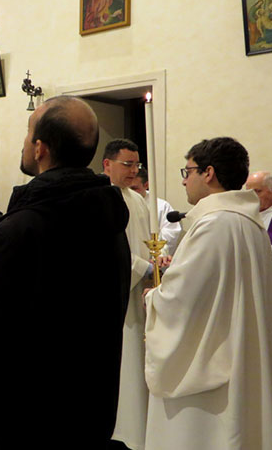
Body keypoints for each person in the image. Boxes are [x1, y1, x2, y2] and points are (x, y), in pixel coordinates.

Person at [0, 96, 131, 448]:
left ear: (39, 148)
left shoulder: (18, 231)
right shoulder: (109, 218)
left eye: (27, 132)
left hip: (24, 424)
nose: (24, 141)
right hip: (89, 411)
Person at [144, 138, 272, 449]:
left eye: (188, 170)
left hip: (212, 376)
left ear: (208, 173)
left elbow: (183, 299)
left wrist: (153, 298)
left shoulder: (214, 224)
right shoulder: (250, 223)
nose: (183, 179)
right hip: (240, 351)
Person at [102, 138, 152, 450]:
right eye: (127, 164)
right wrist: (142, 267)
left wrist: (155, 265)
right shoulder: (100, 199)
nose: (134, 170)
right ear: (107, 164)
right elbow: (106, 253)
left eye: (136, 165)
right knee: (122, 365)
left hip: (139, 294)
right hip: (114, 296)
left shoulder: (138, 200)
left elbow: (148, 242)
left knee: (138, 362)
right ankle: (119, 430)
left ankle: (139, 429)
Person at [245, 170, 272, 387]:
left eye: (257, 192)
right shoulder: (241, 217)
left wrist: (262, 250)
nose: (250, 197)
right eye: (247, 192)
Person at [130, 167, 182, 255]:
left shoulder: (161, 206)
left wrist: (157, 255)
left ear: (146, 185)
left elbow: (171, 234)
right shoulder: (123, 202)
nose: (131, 192)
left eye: (134, 188)